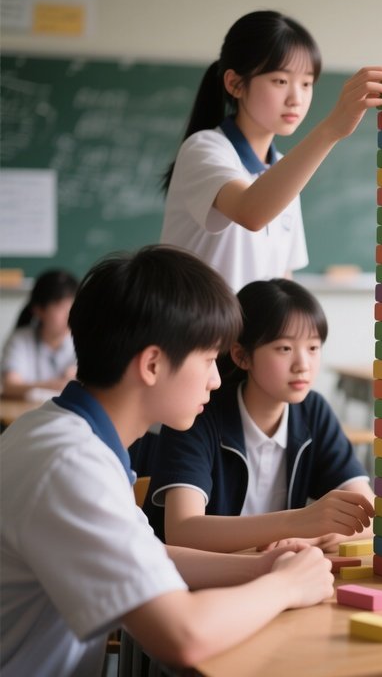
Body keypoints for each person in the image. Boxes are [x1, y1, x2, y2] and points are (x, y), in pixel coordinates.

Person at [0, 246, 336, 676]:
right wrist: (285, 586)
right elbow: (183, 635)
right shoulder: (70, 464)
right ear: (153, 364)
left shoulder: (64, 432)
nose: (217, 379)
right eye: (208, 359)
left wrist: (260, 566)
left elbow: (150, 555)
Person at [160, 9, 382, 291]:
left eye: (307, 83)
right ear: (235, 83)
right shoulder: (204, 148)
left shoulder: (283, 168)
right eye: (281, 81)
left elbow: (282, 277)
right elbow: (251, 211)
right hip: (195, 333)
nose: (297, 98)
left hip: (254, 335)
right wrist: (332, 129)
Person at [145, 278, 374, 553]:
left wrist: (310, 537)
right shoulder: (198, 413)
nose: (303, 365)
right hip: (197, 582)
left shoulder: (312, 411)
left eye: (313, 348)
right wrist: (298, 522)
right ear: (242, 356)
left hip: (276, 574)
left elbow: (370, 515)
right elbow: (183, 531)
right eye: (284, 349)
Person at [1, 268, 78, 400]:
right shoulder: (20, 340)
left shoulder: (83, 341)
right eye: (60, 307)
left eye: (72, 306)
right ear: (39, 310)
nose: (69, 314)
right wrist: (57, 384)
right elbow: (10, 386)